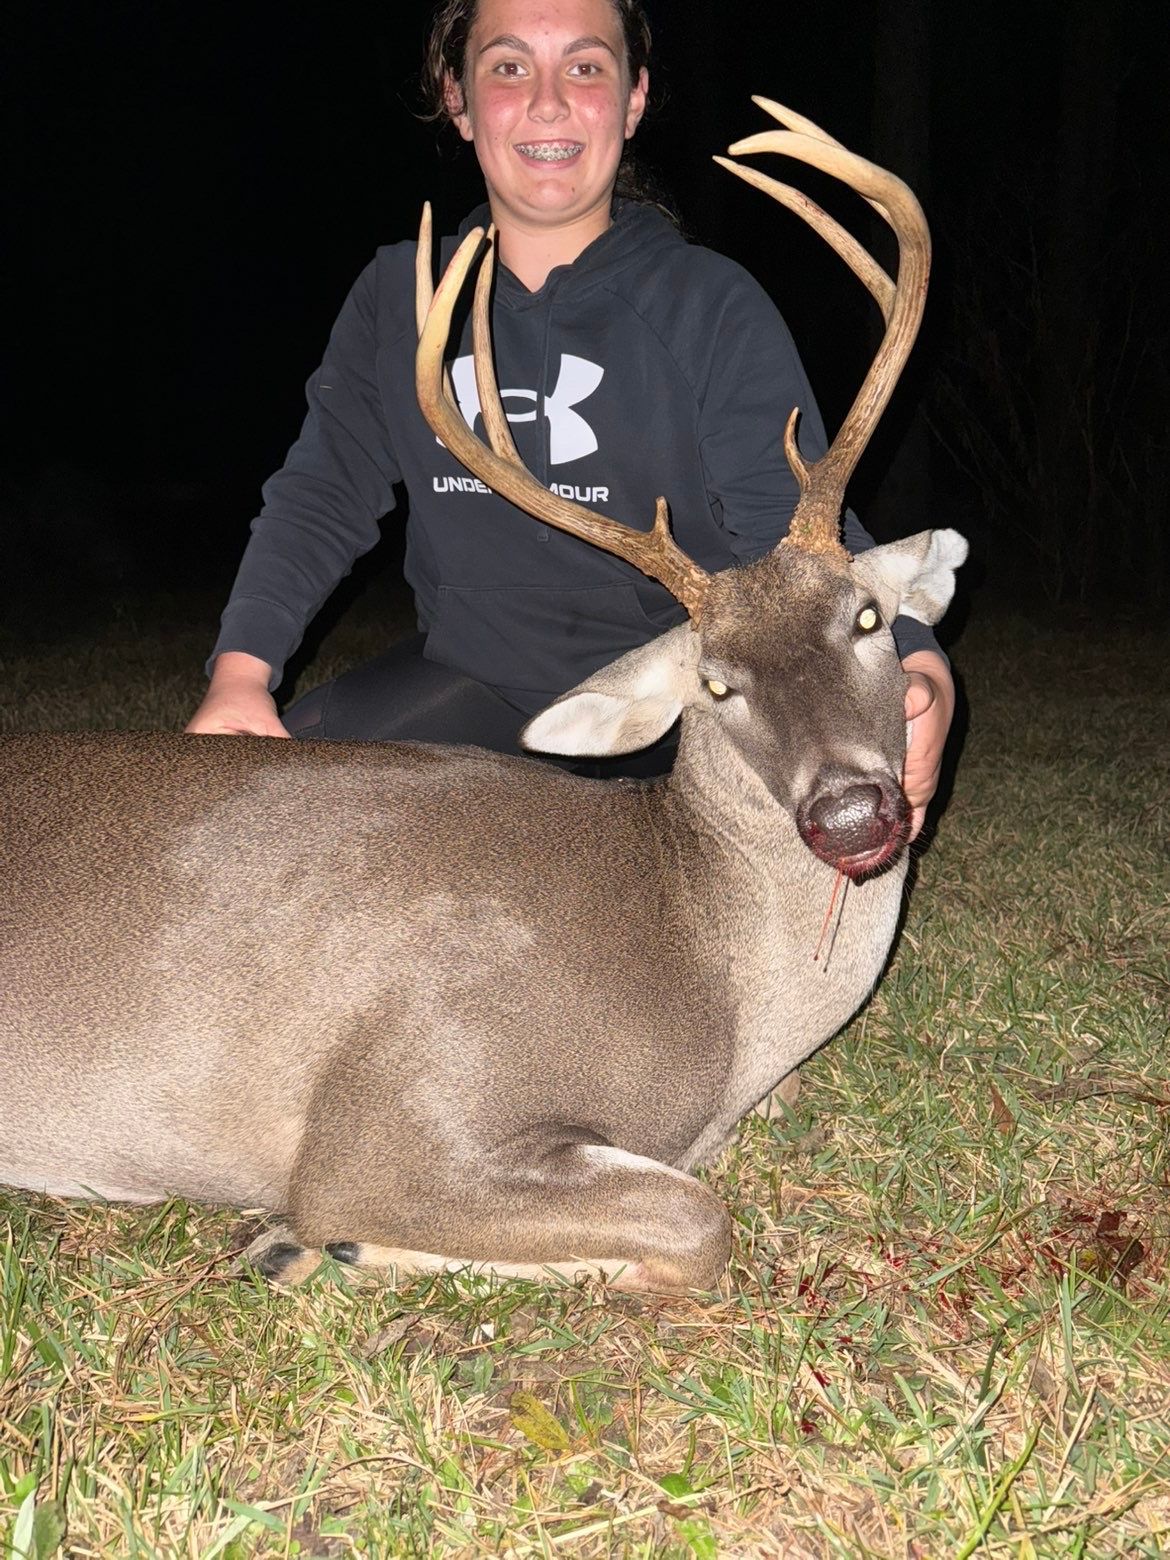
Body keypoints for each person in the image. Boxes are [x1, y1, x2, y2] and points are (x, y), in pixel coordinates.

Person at [187, 0, 955, 831]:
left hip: (680, 709)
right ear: (458, 98)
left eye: (586, 67)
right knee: (237, 820)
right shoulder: (399, 304)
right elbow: (321, 497)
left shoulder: (708, 305)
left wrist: (922, 670)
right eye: (509, 66)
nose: (548, 101)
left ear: (632, 98)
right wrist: (241, 671)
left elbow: (800, 528)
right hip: (471, 691)